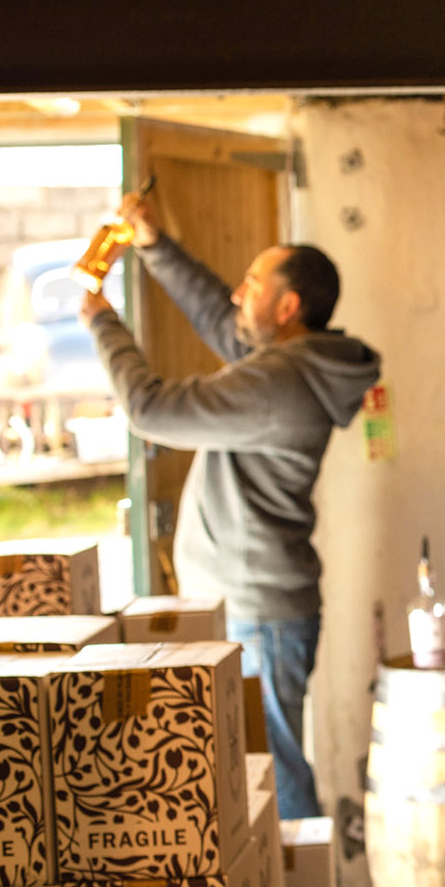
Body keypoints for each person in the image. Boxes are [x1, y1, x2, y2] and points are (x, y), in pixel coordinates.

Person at [79, 195, 381, 821]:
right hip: (259, 607)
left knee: (270, 771)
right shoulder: (295, 363)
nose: (240, 294)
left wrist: (103, 320)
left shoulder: (277, 383)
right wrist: (155, 245)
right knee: (262, 765)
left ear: (289, 307)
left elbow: (151, 410)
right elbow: (222, 318)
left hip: (258, 615)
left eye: (253, 284)